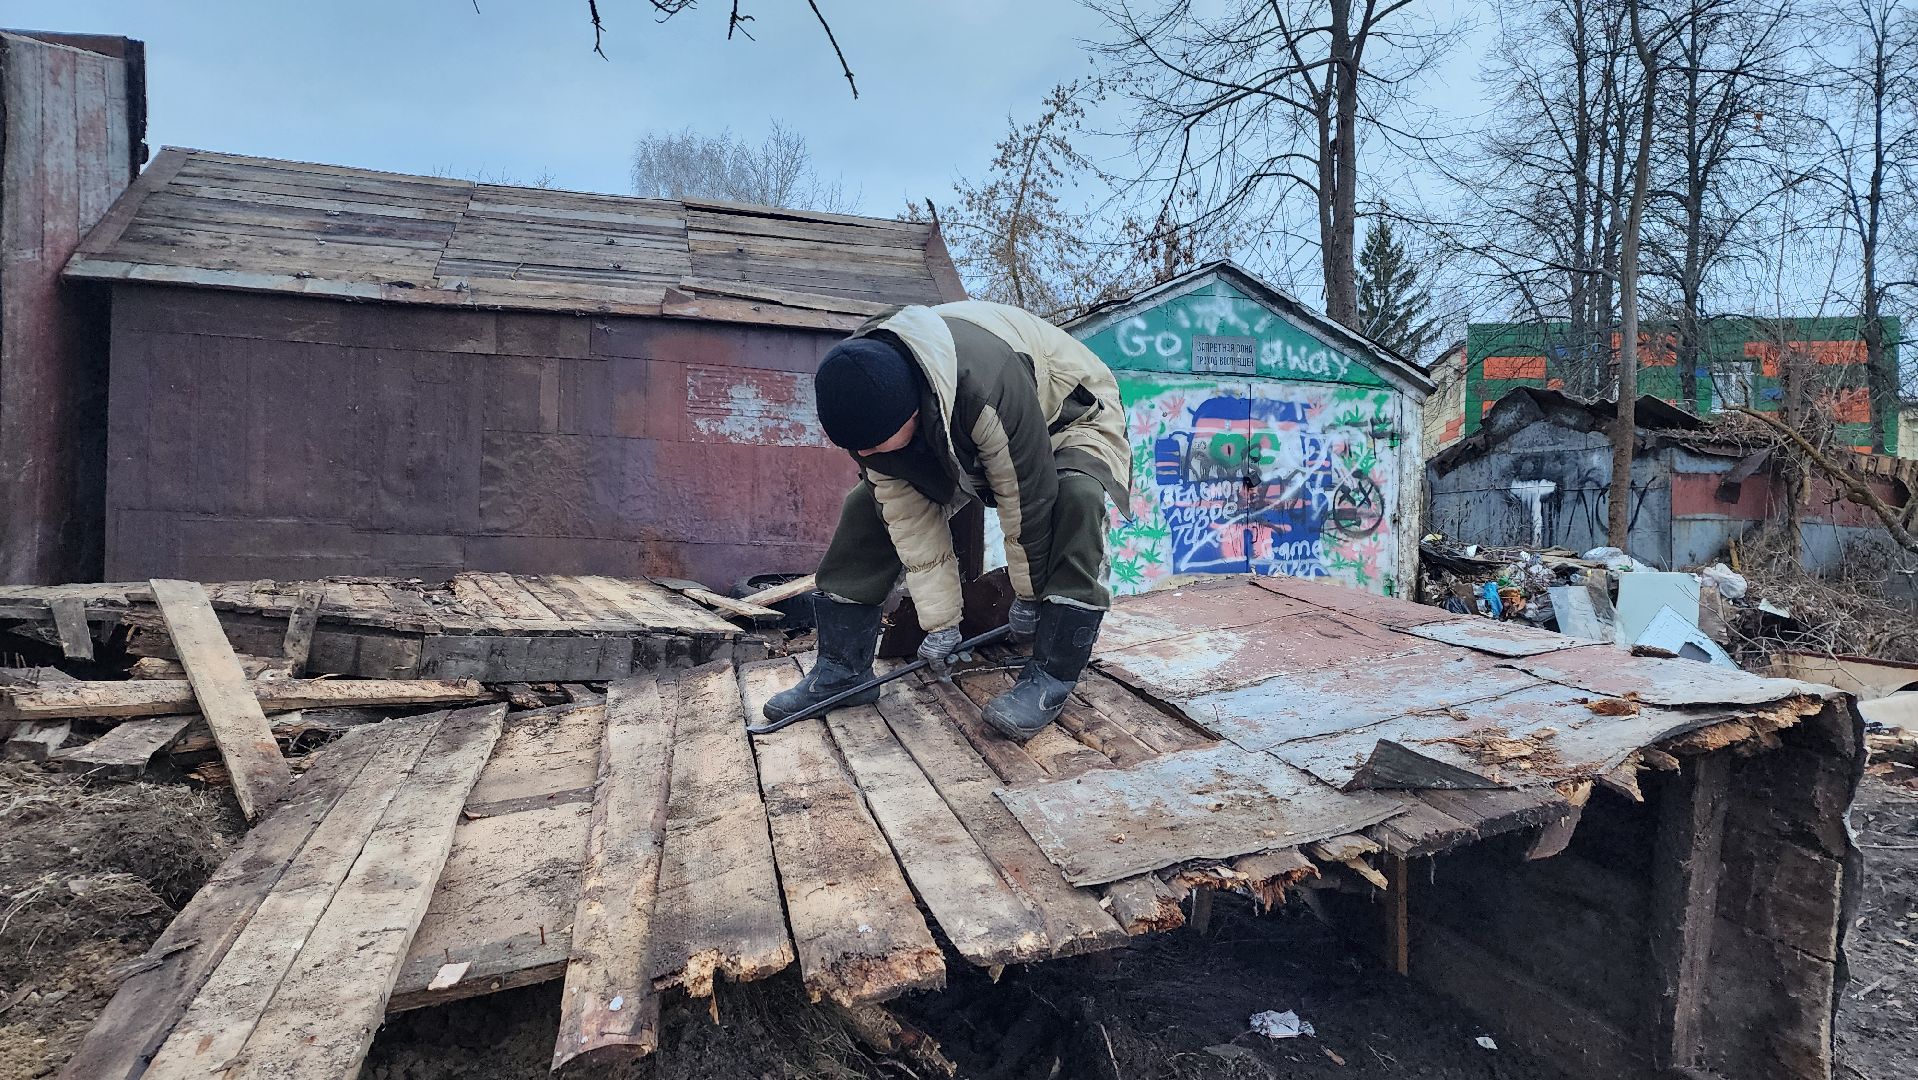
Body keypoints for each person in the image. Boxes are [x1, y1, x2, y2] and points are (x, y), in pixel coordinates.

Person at [761, 300, 1131, 742]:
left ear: (914, 412)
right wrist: (942, 623)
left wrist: (1029, 598)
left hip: (1069, 415)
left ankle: (1051, 676)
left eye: (877, 447)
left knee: (1076, 496)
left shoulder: (987, 384)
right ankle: (842, 670)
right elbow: (907, 517)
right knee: (868, 506)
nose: (869, 456)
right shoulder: (865, 386)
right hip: (958, 423)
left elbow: (1024, 498)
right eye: (860, 451)